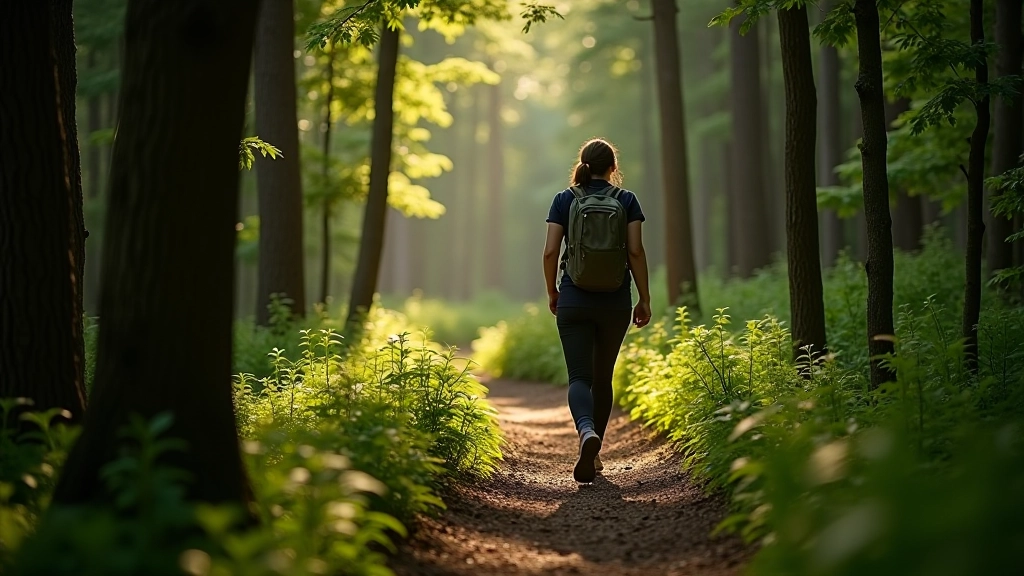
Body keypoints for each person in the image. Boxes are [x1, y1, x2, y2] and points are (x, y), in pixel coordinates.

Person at [542, 138, 652, 483]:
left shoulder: (564, 199)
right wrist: (644, 298)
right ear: (613, 168)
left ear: (583, 164)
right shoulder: (627, 200)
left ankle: (586, 431)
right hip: (615, 300)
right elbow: (635, 252)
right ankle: (596, 448)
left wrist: (553, 291)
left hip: (574, 297)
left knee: (579, 377)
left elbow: (549, 252)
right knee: (602, 378)